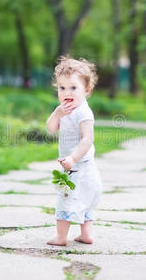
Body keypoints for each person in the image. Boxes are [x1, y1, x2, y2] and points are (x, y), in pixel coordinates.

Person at [45, 55, 102, 246]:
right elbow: (51, 128)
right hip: (76, 166)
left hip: (79, 166)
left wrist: (72, 158)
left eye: (73, 88)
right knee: (83, 199)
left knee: (66, 199)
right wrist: (57, 113)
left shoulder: (83, 113)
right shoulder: (63, 110)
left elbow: (88, 139)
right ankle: (85, 235)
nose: (66, 92)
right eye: (62, 88)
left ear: (86, 90)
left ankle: (61, 237)